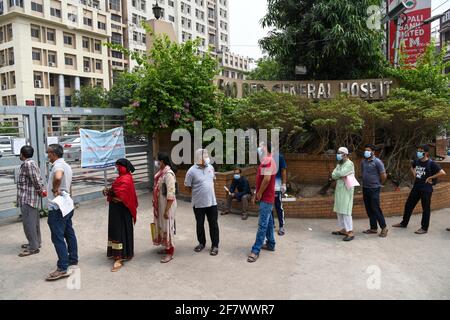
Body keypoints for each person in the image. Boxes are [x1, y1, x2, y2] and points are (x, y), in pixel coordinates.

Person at [393, 144, 446, 234]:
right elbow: (412, 167)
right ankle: (404, 223)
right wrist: (415, 175)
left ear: (426, 153)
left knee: (425, 209)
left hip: (426, 189)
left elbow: (442, 172)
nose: (419, 152)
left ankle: (424, 228)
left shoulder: (431, 163)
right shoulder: (417, 161)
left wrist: (430, 178)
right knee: (408, 205)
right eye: (418, 150)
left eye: (421, 151)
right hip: (416, 188)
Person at [45, 144, 78, 281]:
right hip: (66, 205)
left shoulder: (58, 165)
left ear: (53, 154)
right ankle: (73, 259)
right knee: (69, 232)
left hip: (57, 207)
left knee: (57, 237)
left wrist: (55, 189)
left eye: (48, 153)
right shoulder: (66, 165)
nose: (48, 156)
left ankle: (63, 268)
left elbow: (58, 177)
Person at [104, 158, 138, 272]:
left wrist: (110, 193)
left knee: (120, 231)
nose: (116, 168)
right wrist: (108, 191)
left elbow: (120, 197)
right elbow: (116, 191)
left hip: (122, 211)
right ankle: (116, 253)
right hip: (116, 210)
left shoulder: (126, 179)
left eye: (117, 166)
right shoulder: (121, 178)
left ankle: (120, 256)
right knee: (115, 230)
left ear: (122, 167)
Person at [185, 149, 220, 256]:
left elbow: (213, 181)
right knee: (200, 224)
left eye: (207, 155)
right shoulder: (191, 171)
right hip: (198, 203)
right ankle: (201, 243)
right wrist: (198, 194)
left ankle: (215, 245)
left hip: (212, 202)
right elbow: (187, 187)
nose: (207, 157)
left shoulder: (211, 167)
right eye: (205, 156)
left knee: (213, 224)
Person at [247, 142, 277, 263]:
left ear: (267, 149)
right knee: (268, 221)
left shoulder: (268, 160)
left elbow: (267, 179)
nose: (259, 148)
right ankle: (270, 244)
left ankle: (256, 250)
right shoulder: (266, 160)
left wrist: (259, 193)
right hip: (266, 197)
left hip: (266, 198)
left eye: (262, 146)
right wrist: (257, 193)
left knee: (262, 224)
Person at [16, 145, 46, 257]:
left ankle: (33, 247)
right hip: (29, 197)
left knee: (29, 224)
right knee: (34, 222)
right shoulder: (30, 163)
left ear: (22, 154)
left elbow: (35, 179)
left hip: (28, 198)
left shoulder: (28, 164)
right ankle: (35, 242)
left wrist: (41, 190)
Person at [152, 152, 177, 263]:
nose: (156, 162)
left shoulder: (168, 174)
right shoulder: (161, 173)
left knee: (167, 226)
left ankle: (170, 252)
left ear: (162, 162)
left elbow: (171, 194)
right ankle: (166, 247)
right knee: (162, 225)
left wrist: (167, 210)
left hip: (167, 205)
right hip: (161, 204)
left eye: (157, 160)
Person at [361, 144, 388, 238]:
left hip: (374, 189)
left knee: (376, 208)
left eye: (368, 150)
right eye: (365, 150)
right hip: (365, 188)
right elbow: (363, 172)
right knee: (369, 209)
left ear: (373, 152)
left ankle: (384, 228)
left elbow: (384, 175)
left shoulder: (378, 162)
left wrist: (380, 184)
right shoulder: (363, 162)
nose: (366, 152)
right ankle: (373, 228)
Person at [331, 147, 356, 242]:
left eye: (339, 153)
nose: (338, 154)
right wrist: (339, 174)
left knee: (346, 211)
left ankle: (350, 231)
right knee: (339, 210)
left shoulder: (349, 164)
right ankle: (343, 229)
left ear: (345, 154)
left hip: (346, 189)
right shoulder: (340, 163)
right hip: (339, 189)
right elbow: (333, 175)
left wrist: (339, 174)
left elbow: (341, 173)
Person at [273, 150, 287, 235]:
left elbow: (283, 170)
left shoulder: (279, 157)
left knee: (278, 206)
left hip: (277, 185)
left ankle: (281, 226)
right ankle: (272, 224)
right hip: (268, 187)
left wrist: (284, 183)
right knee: (269, 206)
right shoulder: (264, 157)